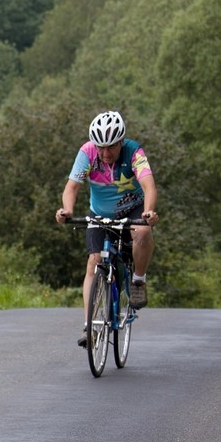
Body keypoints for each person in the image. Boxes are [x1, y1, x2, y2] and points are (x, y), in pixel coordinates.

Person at [55, 110, 157, 348]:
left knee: (142, 232)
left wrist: (149, 212)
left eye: (111, 147)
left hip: (132, 210)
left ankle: (138, 280)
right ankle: (89, 326)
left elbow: (149, 186)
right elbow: (72, 187)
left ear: (121, 142)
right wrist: (67, 210)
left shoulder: (134, 152)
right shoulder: (87, 153)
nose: (105, 153)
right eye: (100, 147)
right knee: (93, 262)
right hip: (100, 214)